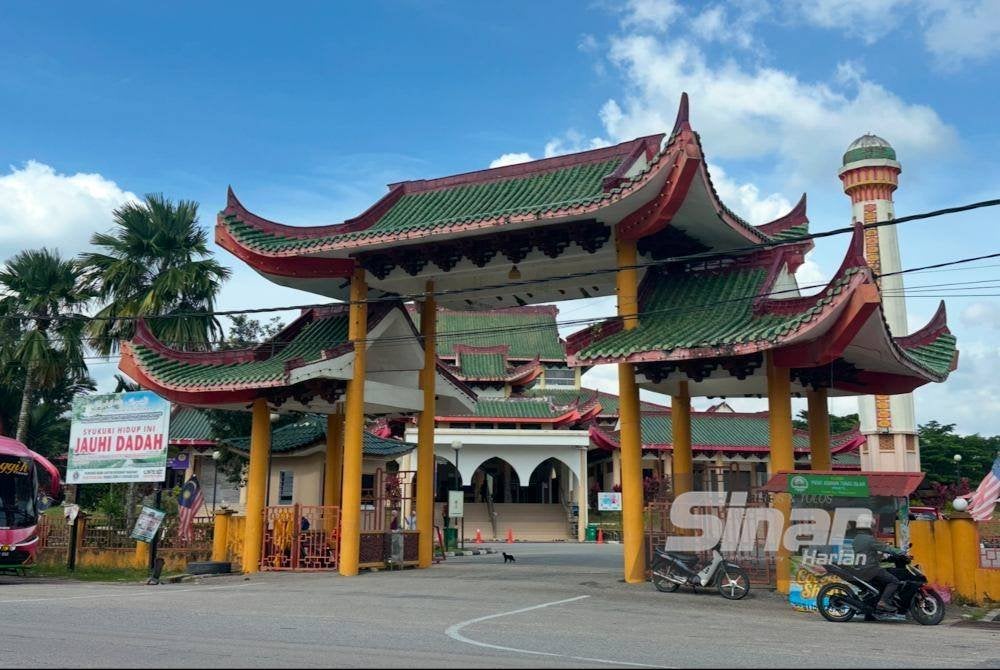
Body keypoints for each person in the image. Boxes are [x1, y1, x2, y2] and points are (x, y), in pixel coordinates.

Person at [851, 511, 903, 614]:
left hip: (860, 568)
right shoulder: (870, 539)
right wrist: (900, 552)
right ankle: (883, 602)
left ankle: (875, 606)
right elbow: (885, 548)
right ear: (868, 526)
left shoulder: (856, 539)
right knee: (894, 581)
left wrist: (881, 558)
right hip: (871, 569)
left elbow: (867, 553)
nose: (873, 528)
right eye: (872, 526)